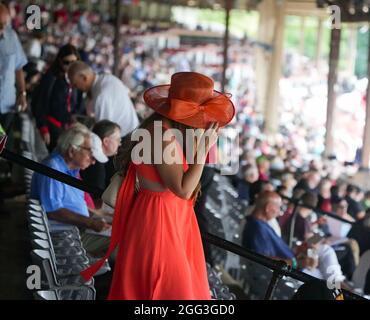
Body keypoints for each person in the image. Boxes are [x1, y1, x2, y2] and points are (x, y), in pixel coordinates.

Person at [80, 71, 235, 300]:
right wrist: (203, 150)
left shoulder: (165, 131)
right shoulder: (160, 134)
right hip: (160, 223)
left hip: (172, 220)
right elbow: (183, 189)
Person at [30, 124, 111, 257]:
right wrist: (91, 223)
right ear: (72, 151)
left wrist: (97, 215)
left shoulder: (71, 169)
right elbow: (53, 211)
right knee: (123, 241)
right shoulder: (53, 169)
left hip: (75, 229)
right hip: (64, 236)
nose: (93, 161)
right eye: (90, 152)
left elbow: (70, 201)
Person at [67, 61, 139, 139]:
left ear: (84, 78)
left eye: (75, 84)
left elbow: (103, 133)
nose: (75, 87)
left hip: (126, 136)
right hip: (132, 130)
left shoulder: (101, 96)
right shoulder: (108, 77)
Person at [32, 44, 84, 151]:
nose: (70, 66)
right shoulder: (51, 77)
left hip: (70, 127)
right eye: (66, 62)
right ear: (60, 61)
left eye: (74, 62)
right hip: (53, 126)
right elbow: (40, 103)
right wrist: (43, 128)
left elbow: (79, 104)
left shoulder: (78, 79)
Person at [0, 3, 27, 141]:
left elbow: (18, 67)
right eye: (0, 24)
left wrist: (22, 92)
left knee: (3, 145)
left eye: (5, 23)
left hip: (7, 103)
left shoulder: (11, 36)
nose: (3, 27)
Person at [80, 120, 121, 207]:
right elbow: (97, 200)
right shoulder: (97, 165)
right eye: (117, 139)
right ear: (106, 141)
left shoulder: (103, 162)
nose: (120, 143)